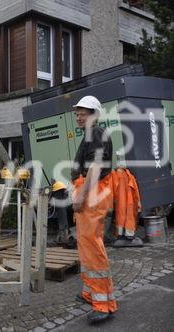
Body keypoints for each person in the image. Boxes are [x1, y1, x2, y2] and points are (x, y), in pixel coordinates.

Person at [70, 96, 117, 324]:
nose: (79, 117)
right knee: (86, 245)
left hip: (92, 195)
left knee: (93, 246)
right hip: (91, 194)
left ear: (95, 115)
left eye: (84, 113)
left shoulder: (96, 133)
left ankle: (103, 304)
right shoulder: (92, 134)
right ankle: (91, 292)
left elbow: (96, 167)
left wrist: (80, 195)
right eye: (77, 113)